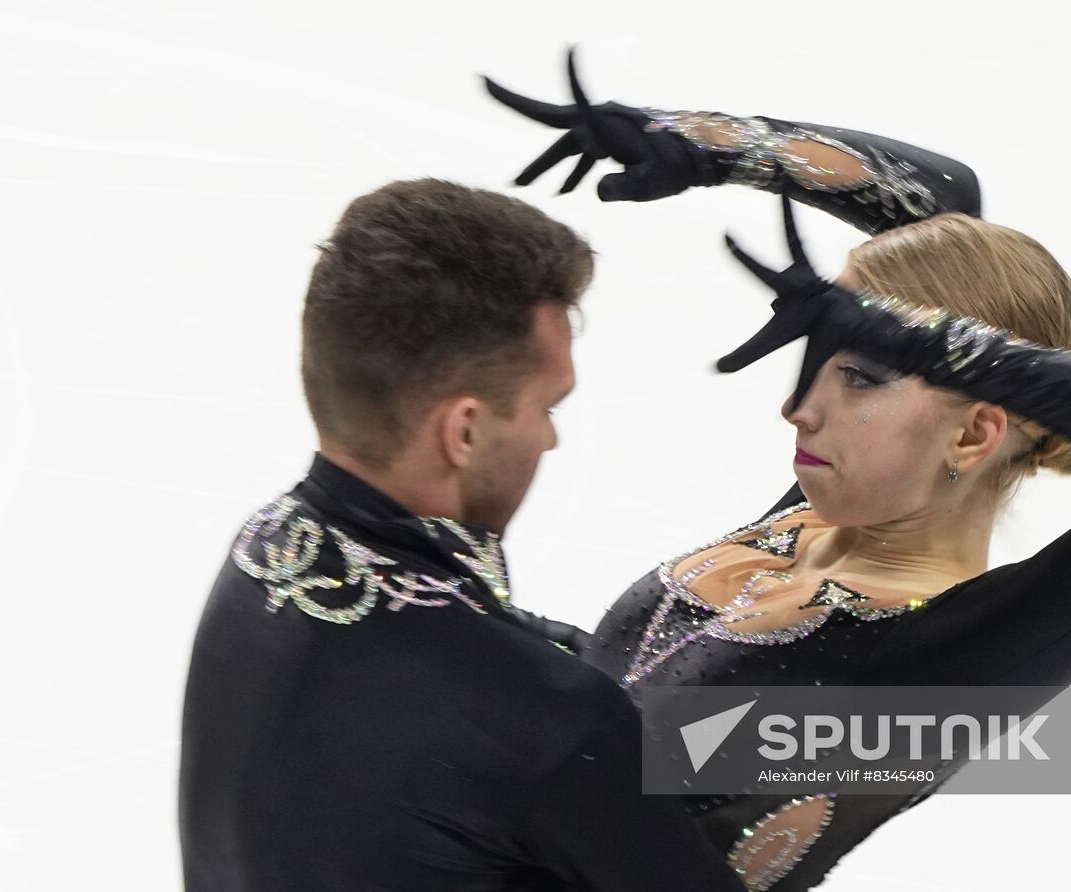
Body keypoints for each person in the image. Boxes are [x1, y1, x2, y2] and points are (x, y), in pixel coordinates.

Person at [484, 55, 1071, 889]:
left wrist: (922, 341)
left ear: (973, 436)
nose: (800, 408)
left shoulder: (941, 668)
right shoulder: (827, 519)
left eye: (857, 374)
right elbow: (941, 200)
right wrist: (707, 145)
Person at [178, 178, 747, 891]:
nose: (551, 439)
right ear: (465, 429)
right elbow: (541, 717)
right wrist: (904, 740)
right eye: (547, 406)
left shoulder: (267, 549)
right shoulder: (547, 718)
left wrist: (894, 742)